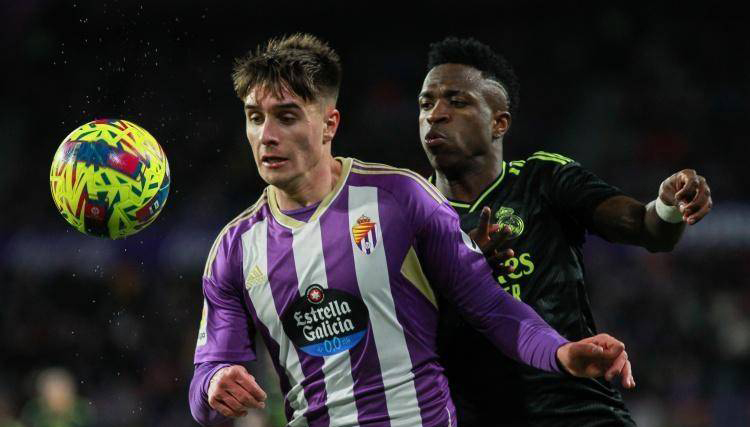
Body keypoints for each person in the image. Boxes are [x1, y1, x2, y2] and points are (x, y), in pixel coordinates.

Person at [189, 33, 635, 427]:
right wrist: (214, 385)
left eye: (286, 117)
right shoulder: (234, 249)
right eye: (255, 117)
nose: (266, 135)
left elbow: (491, 306)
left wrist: (560, 353)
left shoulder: (401, 199)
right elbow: (207, 381)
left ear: (329, 124)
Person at [418, 37, 713, 426]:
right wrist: (462, 270)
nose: (436, 114)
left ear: (498, 123)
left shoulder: (542, 179)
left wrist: (669, 206)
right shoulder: (408, 215)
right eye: (426, 104)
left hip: (577, 412)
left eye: (457, 102)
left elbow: (646, 228)